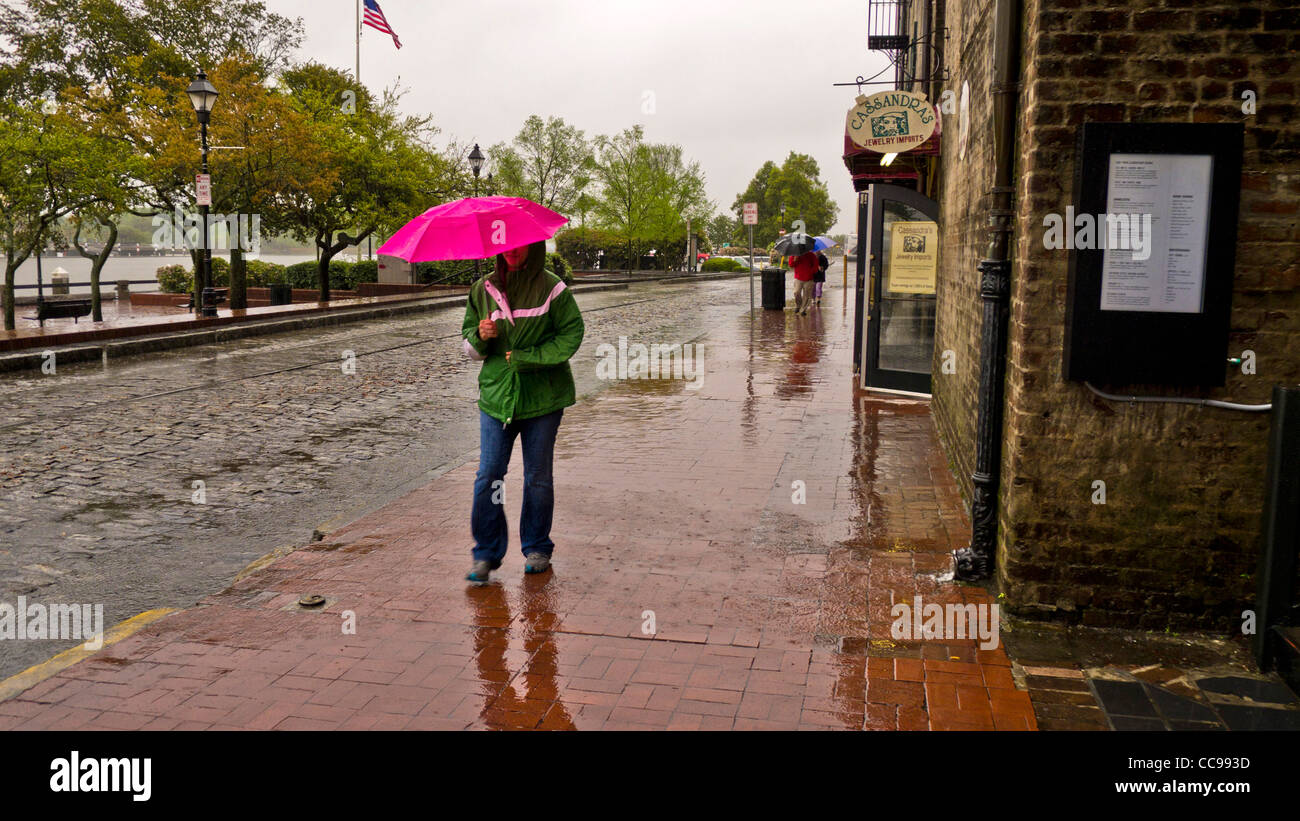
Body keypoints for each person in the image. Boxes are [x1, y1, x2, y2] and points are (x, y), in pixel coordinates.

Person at [461, 240, 585, 583]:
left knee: (537, 476)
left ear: (534, 246)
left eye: (520, 245)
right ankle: (486, 553)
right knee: (490, 474)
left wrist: (529, 358)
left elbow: (572, 332)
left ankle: (537, 547)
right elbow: (468, 348)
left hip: (543, 398)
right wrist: (480, 336)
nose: (512, 251)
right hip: (497, 397)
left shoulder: (552, 288)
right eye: (506, 246)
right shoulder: (481, 288)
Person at [788, 250, 819, 315]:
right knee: (796, 292)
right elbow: (791, 265)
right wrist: (795, 260)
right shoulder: (794, 254)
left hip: (809, 279)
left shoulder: (811, 255)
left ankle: (803, 310)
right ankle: (798, 305)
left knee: (807, 295)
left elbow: (816, 266)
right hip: (798, 278)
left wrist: (810, 272)